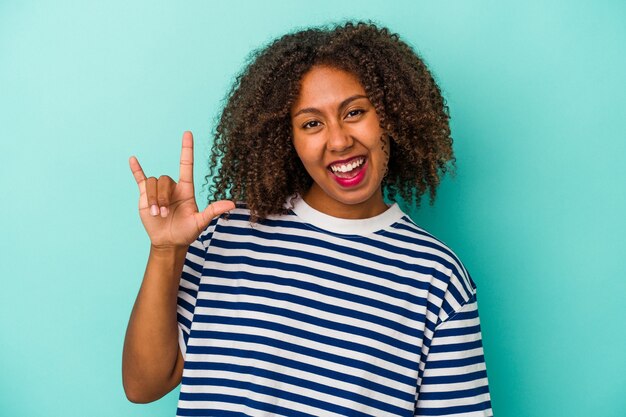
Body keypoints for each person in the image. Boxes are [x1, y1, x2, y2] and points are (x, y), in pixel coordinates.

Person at [122, 22, 493, 417]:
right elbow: (143, 385)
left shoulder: (437, 279)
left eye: (354, 112)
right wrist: (165, 251)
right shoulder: (227, 233)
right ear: (289, 139)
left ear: (390, 116)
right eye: (312, 123)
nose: (338, 140)